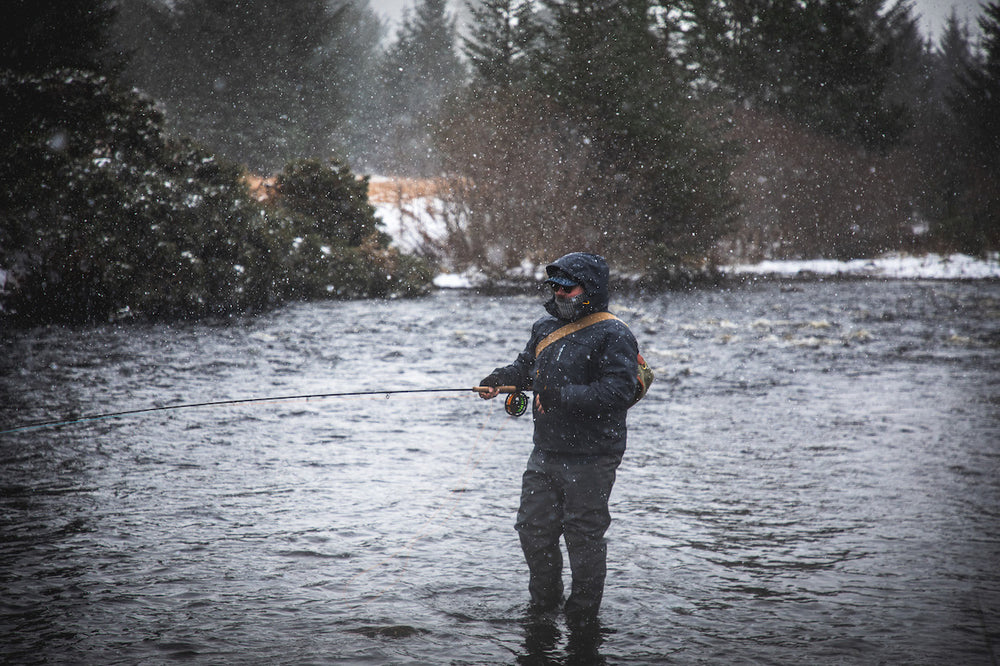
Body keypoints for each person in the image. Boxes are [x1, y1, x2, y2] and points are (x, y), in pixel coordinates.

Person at [479, 252, 639, 627]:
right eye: (556, 287)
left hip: (594, 454)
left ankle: (582, 620)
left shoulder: (615, 334)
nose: (561, 293)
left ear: (591, 290)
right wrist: (497, 379)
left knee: (583, 538)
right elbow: (524, 368)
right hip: (546, 450)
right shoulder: (544, 327)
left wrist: (561, 395)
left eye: (569, 287)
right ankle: (544, 609)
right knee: (533, 530)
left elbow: (618, 391)